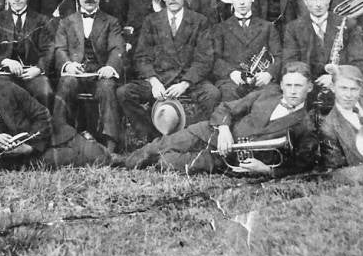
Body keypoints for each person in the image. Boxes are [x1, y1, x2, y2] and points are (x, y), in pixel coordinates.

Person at [119, 61, 319, 177]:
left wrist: (266, 170)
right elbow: (226, 107)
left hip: (226, 159)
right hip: (212, 132)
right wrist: (223, 129)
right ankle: (119, 161)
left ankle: (133, 161)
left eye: (299, 86)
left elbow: (303, 165)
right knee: (163, 144)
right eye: (289, 85)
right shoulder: (267, 93)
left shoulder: (305, 125)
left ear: (309, 87)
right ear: (281, 85)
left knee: (167, 162)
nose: (293, 91)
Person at [0, 53, 111, 170]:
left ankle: (102, 151)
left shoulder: (6, 88)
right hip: (27, 159)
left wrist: (30, 146)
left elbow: (42, 115)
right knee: (96, 160)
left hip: (52, 135)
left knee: (100, 156)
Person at [116, 0, 219, 141]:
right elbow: (141, 57)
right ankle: (152, 136)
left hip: (188, 81)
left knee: (212, 94)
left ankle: (195, 136)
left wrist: (185, 83)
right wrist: (154, 81)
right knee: (124, 93)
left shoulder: (200, 21)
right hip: (160, 80)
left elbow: (204, 59)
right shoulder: (151, 21)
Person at [53, 0, 125, 152]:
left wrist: (110, 66)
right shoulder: (66, 22)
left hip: (100, 74)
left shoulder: (111, 22)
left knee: (107, 87)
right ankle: (60, 137)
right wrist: (68, 65)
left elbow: (117, 48)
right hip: (76, 73)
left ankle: (110, 144)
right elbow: (59, 49)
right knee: (66, 82)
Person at [282, 0, 363, 118]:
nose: (318, 4)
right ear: (305, 1)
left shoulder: (348, 25)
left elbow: (359, 64)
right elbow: (289, 64)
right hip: (307, 93)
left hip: (342, 90)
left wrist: (335, 77)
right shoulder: (293, 28)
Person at [0, 0, 54, 110]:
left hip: (32, 74)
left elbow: (49, 50)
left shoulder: (41, 20)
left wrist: (38, 68)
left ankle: (43, 123)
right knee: (1, 92)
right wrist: (5, 61)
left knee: (45, 91)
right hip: (5, 75)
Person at [210, 0, 281, 102]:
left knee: (267, 99)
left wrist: (269, 74)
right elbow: (215, 59)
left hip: (260, 80)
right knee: (230, 98)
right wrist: (231, 73)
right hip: (232, 82)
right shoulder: (220, 29)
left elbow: (279, 56)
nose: (242, 2)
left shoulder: (268, 27)